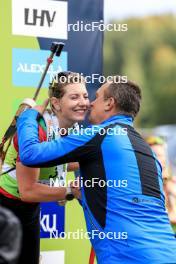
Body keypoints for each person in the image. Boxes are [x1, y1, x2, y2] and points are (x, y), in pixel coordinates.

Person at [17, 75, 176, 263]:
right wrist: (78, 191)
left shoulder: (99, 135)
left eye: (96, 97)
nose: (90, 103)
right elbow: (124, 199)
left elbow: (30, 154)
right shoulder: (147, 150)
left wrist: (27, 114)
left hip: (125, 257)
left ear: (109, 103)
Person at [0, 71, 89, 264]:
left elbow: (62, 160)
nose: (83, 102)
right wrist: (70, 192)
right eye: (74, 97)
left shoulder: (73, 128)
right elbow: (28, 191)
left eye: (85, 96)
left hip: (29, 209)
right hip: (7, 205)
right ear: (56, 103)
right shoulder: (38, 129)